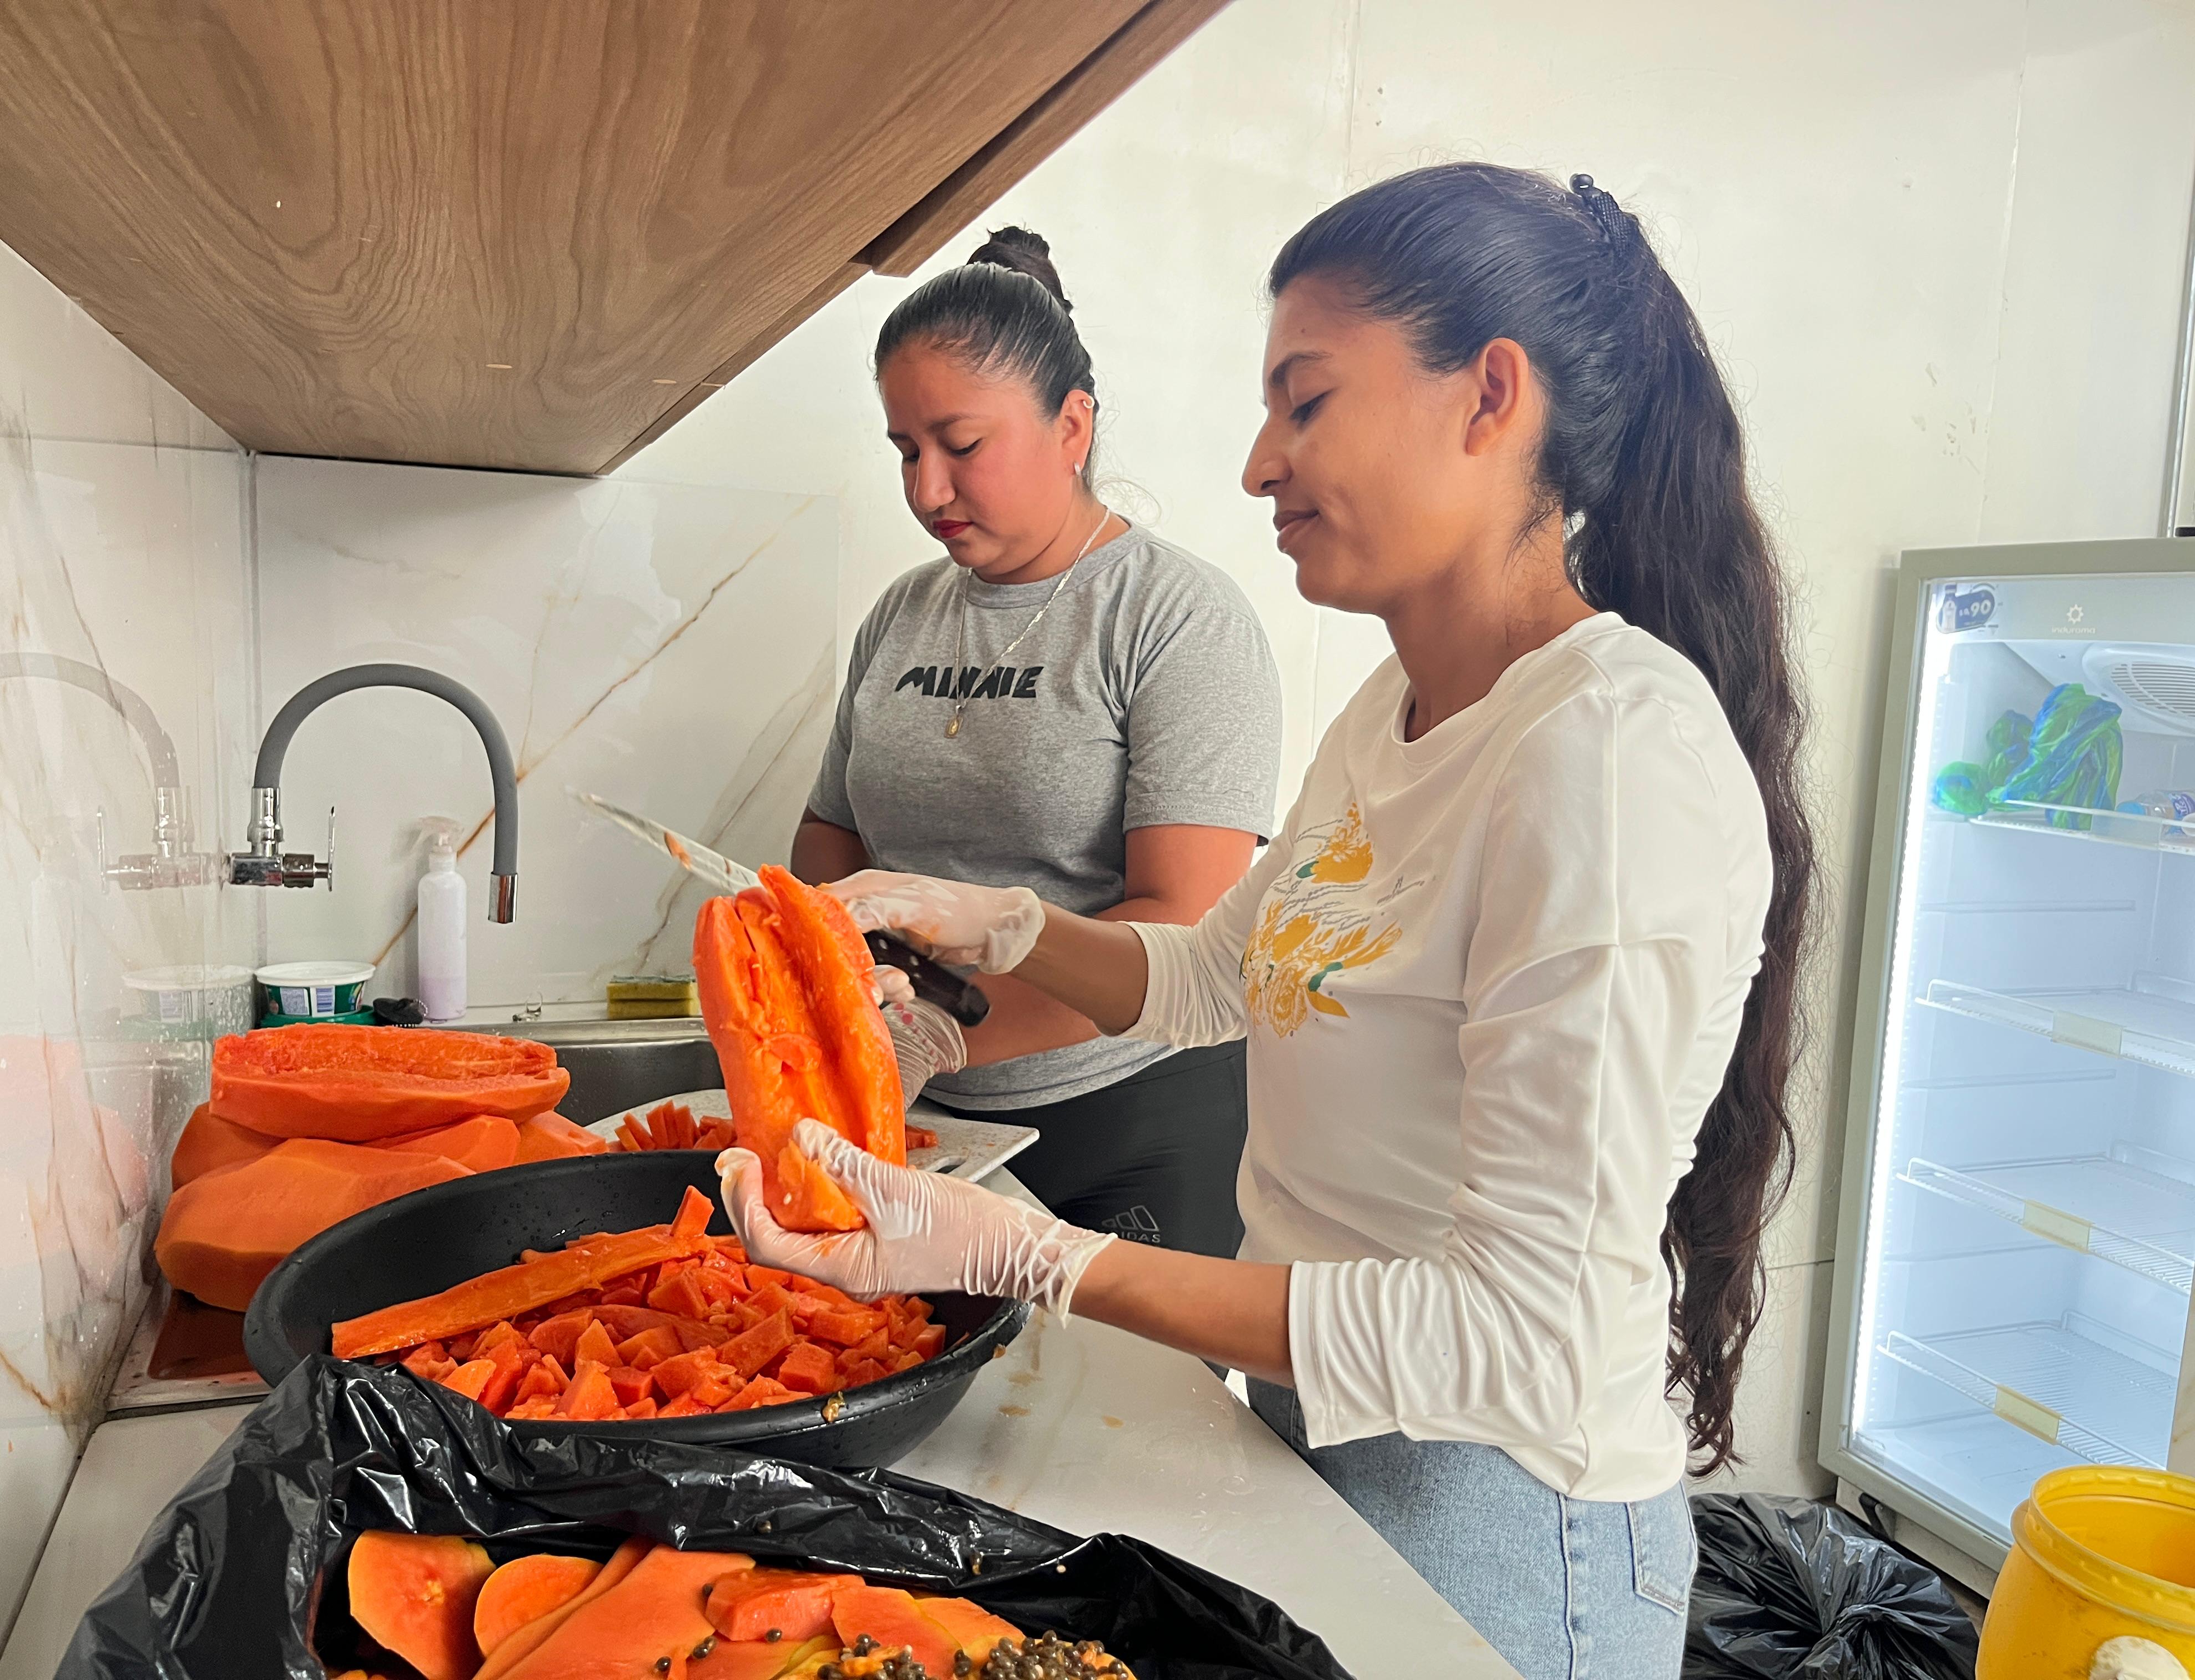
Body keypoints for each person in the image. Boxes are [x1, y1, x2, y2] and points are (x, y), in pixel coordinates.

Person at [727, 164, 1815, 1678]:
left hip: (1503, 1510)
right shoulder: (1396, 708)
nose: (1257, 464)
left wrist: (1038, 1260)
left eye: (1306, 402)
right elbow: (1216, 977)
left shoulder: (1611, 757)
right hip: (1321, 1420)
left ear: (1490, 397)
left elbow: (1515, 1333)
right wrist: (996, 923)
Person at [793, 226, 1281, 1261]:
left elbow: (1184, 923)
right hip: (927, 1117)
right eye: (906, 451)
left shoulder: (1176, 618)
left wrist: (941, 1031)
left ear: (1072, 425)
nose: (927, 490)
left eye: (961, 446)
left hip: (1130, 1122)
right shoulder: (903, 614)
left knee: (1106, 1370)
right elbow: (832, 835)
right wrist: (839, 983)